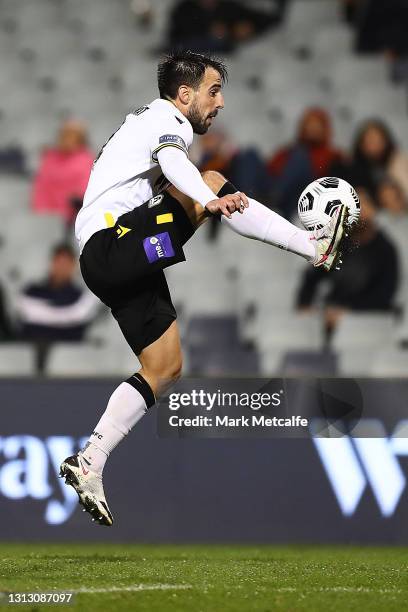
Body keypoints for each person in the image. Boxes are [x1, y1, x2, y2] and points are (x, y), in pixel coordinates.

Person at [59, 50, 350, 527]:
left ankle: (90, 460)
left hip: (113, 257)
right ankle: (313, 247)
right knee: (211, 176)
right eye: (214, 91)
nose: (219, 103)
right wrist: (209, 198)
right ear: (184, 93)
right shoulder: (163, 118)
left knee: (165, 366)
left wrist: (204, 198)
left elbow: (168, 169)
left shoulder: (150, 124)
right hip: (113, 245)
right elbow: (175, 162)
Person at [296, 188, 399, 336]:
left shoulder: (385, 250)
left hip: (370, 322)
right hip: (332, 321)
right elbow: (311, 278)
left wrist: (348, 312)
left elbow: (384, 295)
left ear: (373, 210)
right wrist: (305, 305)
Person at [18, 244, 99, 369]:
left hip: (70, 360)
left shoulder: (78, 295)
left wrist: (44, 317)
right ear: (52, 263)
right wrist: (63, 319)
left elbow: (78, 320)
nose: (62, 267)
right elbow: (27, 316)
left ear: (74, 266)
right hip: (30, 349)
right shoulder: (33, 290)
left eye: (66, 263)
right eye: (59, 262)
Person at [267, 108, 344, 219]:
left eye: (317, 125)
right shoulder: (289, 151)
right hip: (287, 197)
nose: (313, 128)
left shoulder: (334, 155)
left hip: (311, 200)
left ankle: (274, 198)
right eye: (309, 124)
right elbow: (271, 169)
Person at [31, 119, 94, 226]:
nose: (66, 139)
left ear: (80, 138)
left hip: (74, 218)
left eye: (71, 135)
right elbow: (41, 188)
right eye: (64, 135)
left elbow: (84, 191)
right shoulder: (50, 158)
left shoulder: (87, 159)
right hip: (47, 215)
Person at [330, 119, 408, 203]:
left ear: (386, 141)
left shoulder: (398, 163)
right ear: (361, 143)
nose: (373, 144)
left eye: (377, 140)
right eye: (369, 140)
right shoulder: (349, 167)